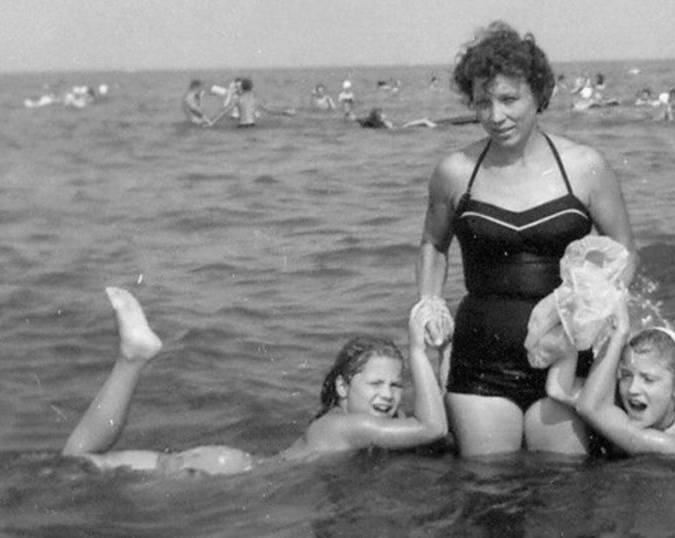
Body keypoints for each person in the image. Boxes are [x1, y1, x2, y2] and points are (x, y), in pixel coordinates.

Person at [414, 21, 639, 458]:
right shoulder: (454, 171)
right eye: (482, 103)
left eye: (509, 100)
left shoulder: (586, 166)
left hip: (566, 358)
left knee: (563, 495)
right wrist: (429, 302)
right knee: (487, 493)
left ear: (539, 94)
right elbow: (432, 245)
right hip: (480, 361)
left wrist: (588, 306)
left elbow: (626, 250)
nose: (495, 116)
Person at [62, 287, 448, 476]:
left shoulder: (358, 425)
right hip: (226, 473)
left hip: (230, 464)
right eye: (375, 383)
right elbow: (431, 427)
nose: (387, 394)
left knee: (81, 462)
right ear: (344, 389)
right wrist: (418, 350)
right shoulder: (350, 426)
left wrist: (444, 353)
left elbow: (435, 423)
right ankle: (132, 357)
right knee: (75, 463)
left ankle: (132, 358)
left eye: (396, 385)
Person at [546, 294, 675, 456]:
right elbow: (558, 390)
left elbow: (589, 407)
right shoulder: (616, 407)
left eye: (648, 379)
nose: (632, 389)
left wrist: (620, 333)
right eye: (626, 376)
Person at [208, 77, 295, 128]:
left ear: (242, 87)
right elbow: (270, 110)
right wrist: (285, 112)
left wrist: (212, 123)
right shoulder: (254, 99)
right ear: (251, 87)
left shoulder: (238, 99)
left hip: (241, 126)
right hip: (252, 126)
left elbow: (224, 112)